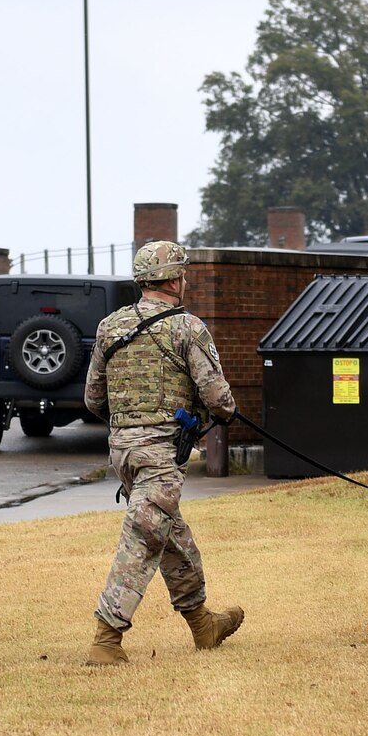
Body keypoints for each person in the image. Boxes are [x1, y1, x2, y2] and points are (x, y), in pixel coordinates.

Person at [81, 240, 243, 665]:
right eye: (183, 274)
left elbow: (93, 398)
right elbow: (218, 397)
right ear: (174, 279)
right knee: (143, 538)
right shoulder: (187, 327)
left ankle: (203, 625)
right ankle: (106, 639)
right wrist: (225, 410)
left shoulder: (110, 327)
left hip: (123, 452)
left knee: (171, 536)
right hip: (160, 453)